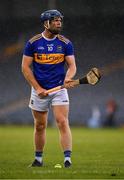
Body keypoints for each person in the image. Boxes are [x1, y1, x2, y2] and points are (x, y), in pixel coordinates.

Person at [21, 9, 77, 168]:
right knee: (40, 125)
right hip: (39, 90)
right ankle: (38, 159)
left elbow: (72, 66)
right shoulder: (33, 43)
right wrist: (37, 88)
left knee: (62, 121)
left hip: (59, 89)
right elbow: (25, 68)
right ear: (46, 23)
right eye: (55, 20)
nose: (59, 23)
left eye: (60, 20)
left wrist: (67, 77)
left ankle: (67, 159)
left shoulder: (65, 43)